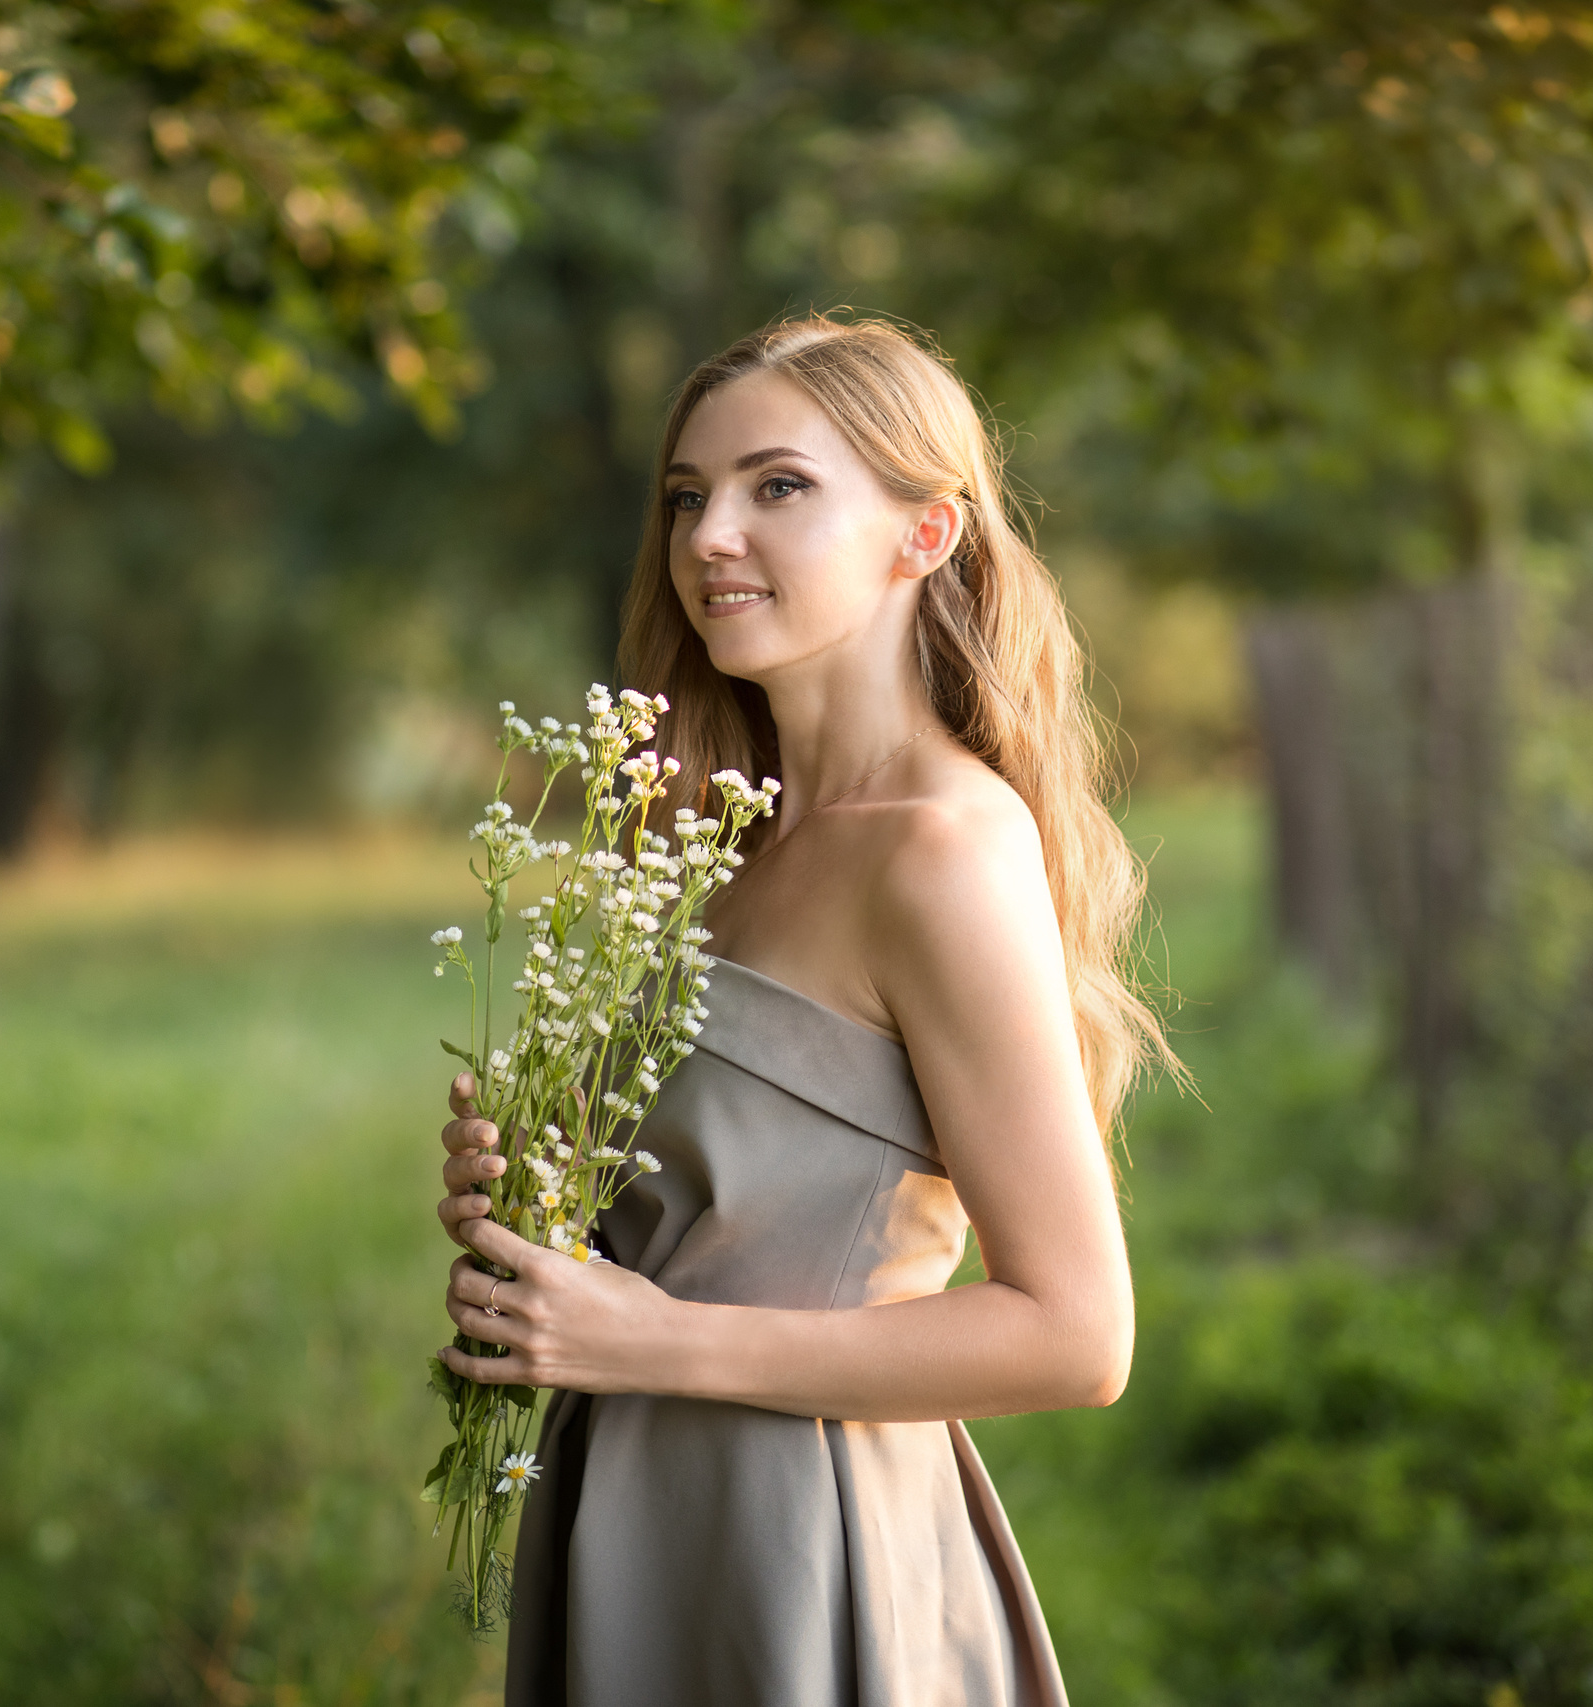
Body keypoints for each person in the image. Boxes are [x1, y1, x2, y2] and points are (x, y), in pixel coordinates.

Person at [431, 315, 1175, 1706]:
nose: (713, 533)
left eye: (779, 487)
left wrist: (651, 1339)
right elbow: (719, 1216)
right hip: (631, 1511)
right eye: (687, 497)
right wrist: (533, 1222)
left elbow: (1079, 1335)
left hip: (804, 1543)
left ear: (925, 535)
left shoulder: (939, 850)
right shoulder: (712, 846)